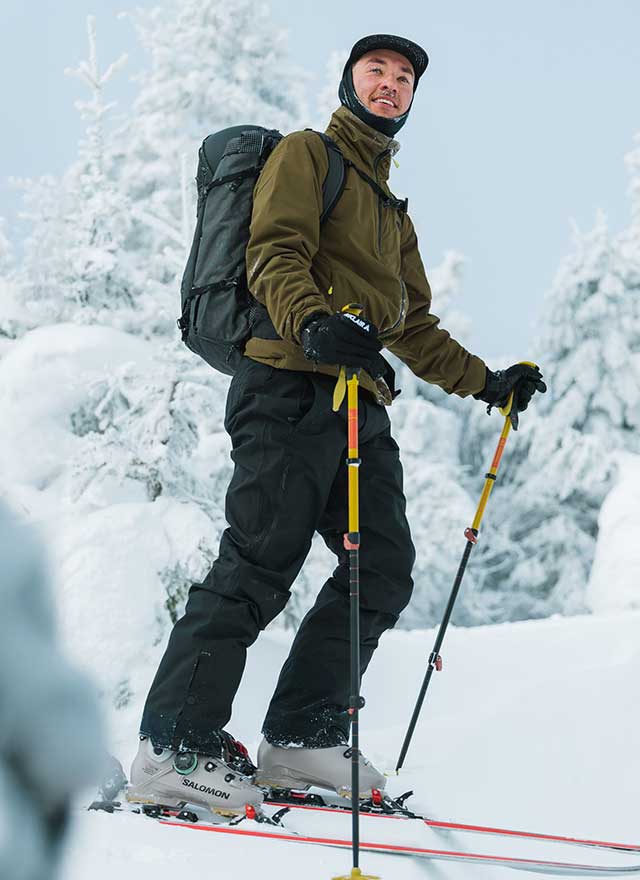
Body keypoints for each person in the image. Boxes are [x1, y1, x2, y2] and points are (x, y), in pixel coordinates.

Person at [128, 33, 546, 815]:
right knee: (259, 561)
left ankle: (301, 739)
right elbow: (274, 252)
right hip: (287, 385)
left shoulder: (390, 211)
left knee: (382, 568)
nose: (390, 83)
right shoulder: (308, 155)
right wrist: (312, 322)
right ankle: (172, 747)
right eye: (375, 70)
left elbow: (412, 326)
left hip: (358, 406)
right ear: (350, 82)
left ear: (411, 98)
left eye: (403, 77)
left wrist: (489, 383)